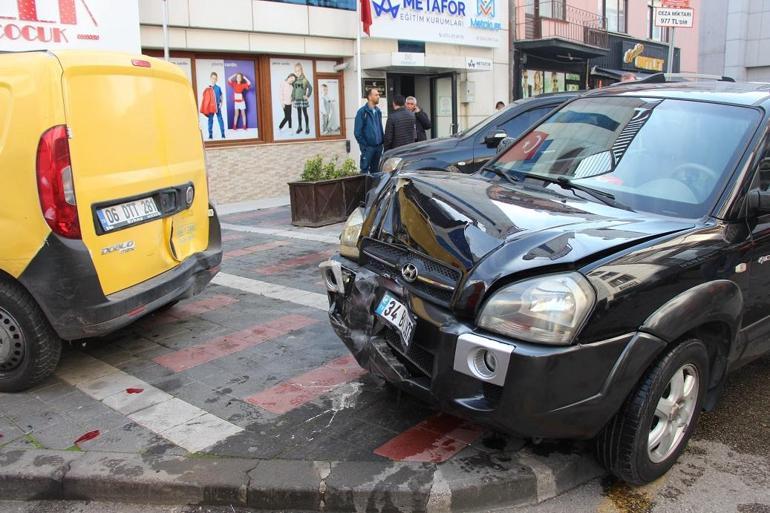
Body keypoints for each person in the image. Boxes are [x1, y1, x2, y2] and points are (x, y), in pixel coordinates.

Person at [353, 87, 384, 174]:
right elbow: (357, 132)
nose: (378, 96)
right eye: (376, 95)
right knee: (364, 171)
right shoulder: (362, 112)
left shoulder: (378, 111)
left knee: (376, 172)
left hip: (378, 147)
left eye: (378, 95)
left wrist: (382, 143)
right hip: (368, 148)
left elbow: (379, 128)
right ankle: (364, 188)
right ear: (370, 97)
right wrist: (365, 146)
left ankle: (374, 188)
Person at [201, 72, 225, 139]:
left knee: (220, 119)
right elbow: (205, 97)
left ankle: (223, 134)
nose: (214, 80)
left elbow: (221, 96)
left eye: (215, 78)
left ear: (216, 79)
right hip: (211, 107)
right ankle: (210, 134)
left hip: (217, 106)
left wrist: (221, 103)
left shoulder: (218, 88)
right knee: (210, 120)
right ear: (210, 78)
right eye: (213, 78)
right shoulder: (208, 88)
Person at [292, 63, 313, 135]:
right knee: (299, 114)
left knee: (305, 113)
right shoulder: (295, 81)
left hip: (303, 100)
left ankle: (307, 127)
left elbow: (310, 88)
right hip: (297, 100)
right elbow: (294, 90)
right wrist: (293, 99)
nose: (297, 72)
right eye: (296, 71)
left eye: (298, 71)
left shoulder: (305, 80)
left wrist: (307, 96)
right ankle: (300, 127)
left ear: (301, 70)